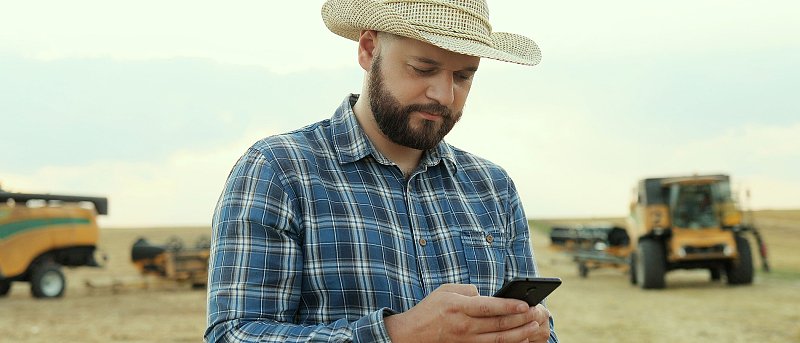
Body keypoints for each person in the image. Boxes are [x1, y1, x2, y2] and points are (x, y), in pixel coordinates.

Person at [205, 0, 558, 342]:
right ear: (368, 49)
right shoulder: (279, 171)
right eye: (423, 69)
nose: (445, 95)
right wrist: (399, 334)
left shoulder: (493, 187)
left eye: (463, 76)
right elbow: (233, 334)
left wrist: (533, 333)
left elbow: (541, 330)